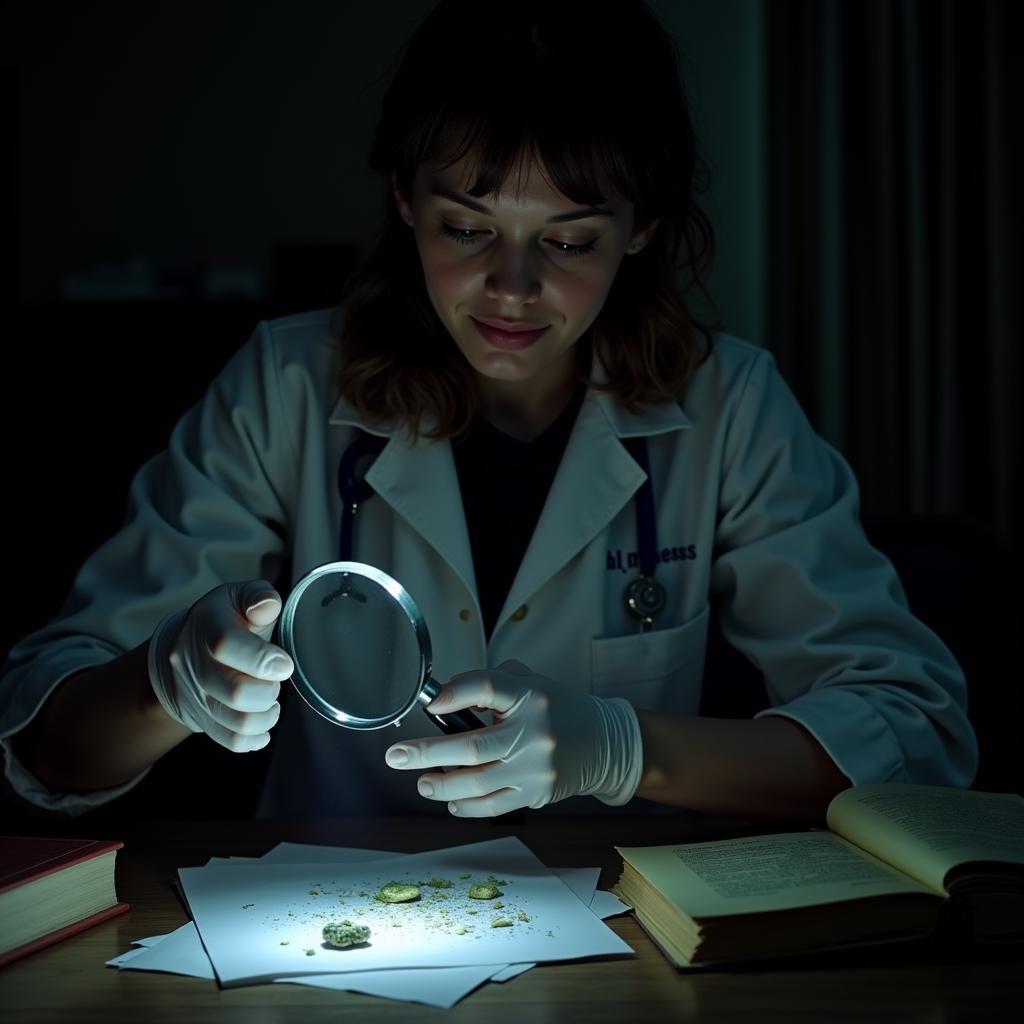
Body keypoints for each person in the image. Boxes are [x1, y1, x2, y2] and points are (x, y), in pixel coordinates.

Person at [0, 0, 976, 824]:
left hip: (625, 947)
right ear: (404, 199)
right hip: (329, 938)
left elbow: (914, 737)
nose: (511, 287)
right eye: (466, 227)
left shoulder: (730, 409)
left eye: (570, 240)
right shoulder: (285, 387)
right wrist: (163, 686)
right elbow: (49, 744)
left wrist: (627, 753)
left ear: (641, 229)